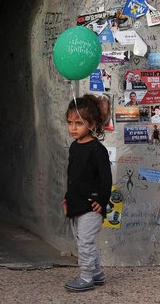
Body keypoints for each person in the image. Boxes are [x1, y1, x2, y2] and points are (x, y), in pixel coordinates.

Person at [62, 96, 112, 292]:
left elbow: (106, 179)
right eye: (70, 123)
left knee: (86, 242)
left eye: (79, 123)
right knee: (83, 241)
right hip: (76, 203)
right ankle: (97, 274)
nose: (73, 128)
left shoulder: (97, 150)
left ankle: (86, 277)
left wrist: (102, 200)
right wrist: (67, 197)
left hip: (92, 205)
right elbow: (73, 176)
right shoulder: (74, 147)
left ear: (91, 124)